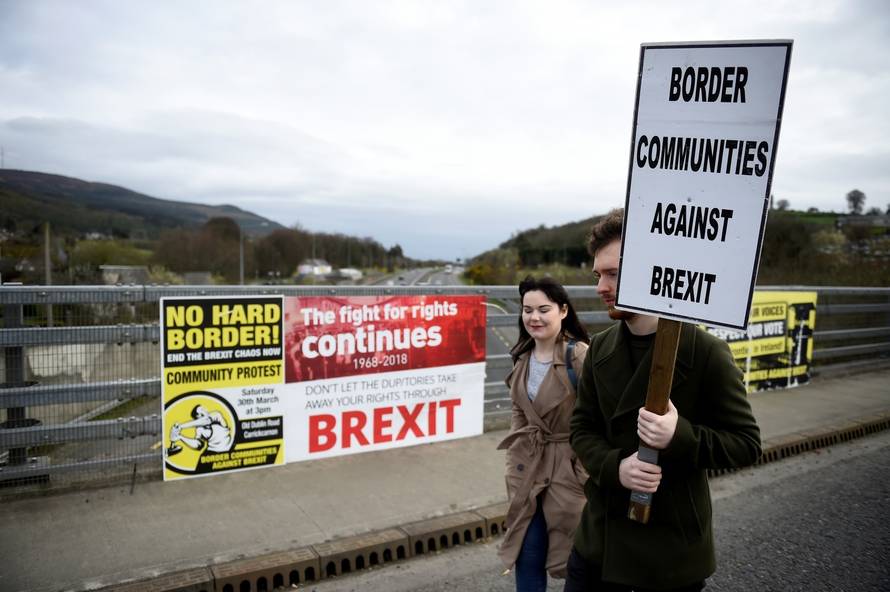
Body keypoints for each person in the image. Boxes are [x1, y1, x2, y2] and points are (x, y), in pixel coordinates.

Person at [565, 208, 762, 591]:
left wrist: (679, 436)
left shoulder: (705, 352)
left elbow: (746, 445)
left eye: (613, 274)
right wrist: (616, 467)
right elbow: (581, 428)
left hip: (668, 558)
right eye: (598, 275)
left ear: (653, 269)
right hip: (597, 548)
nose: (600, 287)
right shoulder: (600, 348)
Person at [497, 275, 591, 591]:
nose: (534, 317)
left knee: (574, 560)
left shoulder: (578, 356)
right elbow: (518, 413)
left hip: (568, 468)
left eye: (543, 309)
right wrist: (514, 461)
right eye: (527, 310)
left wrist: (583, 471)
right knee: (527, 552)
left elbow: (599, 417)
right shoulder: (522, 356)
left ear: (563, 311)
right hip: (529, 469)